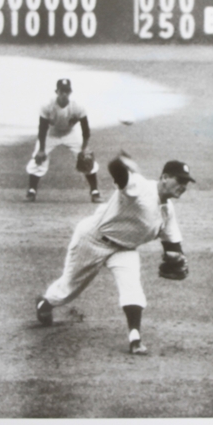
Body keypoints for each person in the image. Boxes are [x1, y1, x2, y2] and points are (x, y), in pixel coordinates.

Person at [35, 152, 195, 355]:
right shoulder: (140, 186)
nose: (183, 186)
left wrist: (177, 257)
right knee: (67, 289)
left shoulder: (168, 211)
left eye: (186, 183)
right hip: (92, 239)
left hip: (124, 249)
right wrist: (120, 162)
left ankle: (135, 338)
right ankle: (45, 302)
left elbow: (173, 244)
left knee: (133, 288)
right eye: (179, 180)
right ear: (164, 177)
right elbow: (118, 173)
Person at [25, 78, 101, 203]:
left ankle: (95, 192)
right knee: (38, 158)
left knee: (87, 159)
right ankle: (31, 191)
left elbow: (86, 130)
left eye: (67, 91)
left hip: (70, 134)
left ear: (70, 92)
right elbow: (42, 128)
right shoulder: (47, 106)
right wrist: (42, 149)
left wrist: (84, 148)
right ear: (57, 91)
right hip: (51, 133)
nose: (64, 94)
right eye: (62, 91)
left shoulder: (77, 107)